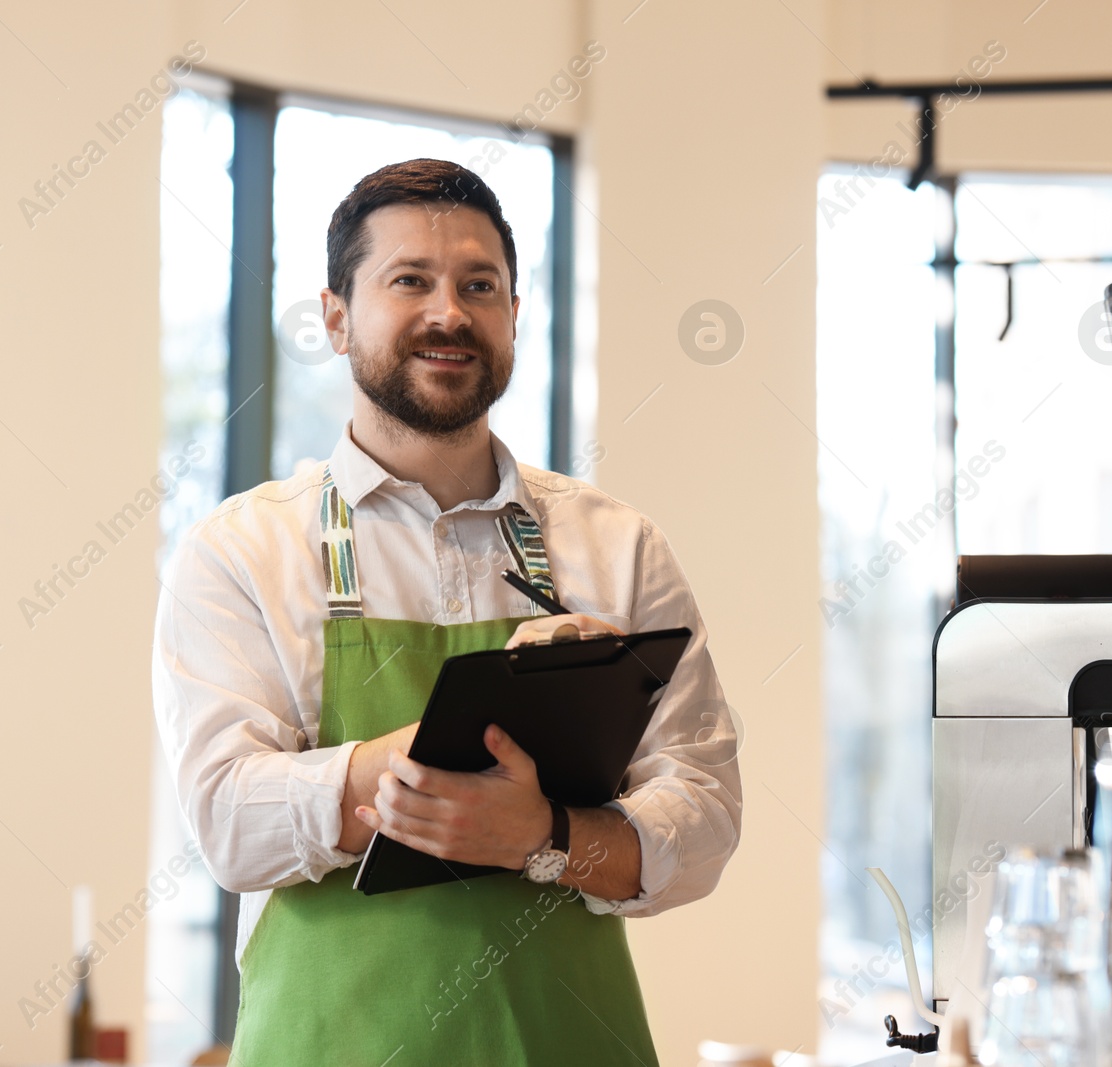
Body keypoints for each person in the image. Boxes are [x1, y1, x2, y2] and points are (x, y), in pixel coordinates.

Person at [152, 158, 741, 1067]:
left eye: (480, 285)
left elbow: (703, 818)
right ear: (337, 318)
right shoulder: (242, 551)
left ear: (513, 315)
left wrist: (546, 836)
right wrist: (458, 748)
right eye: (410, 282)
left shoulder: (618, 546)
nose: (449, 313)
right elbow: (230, 819)